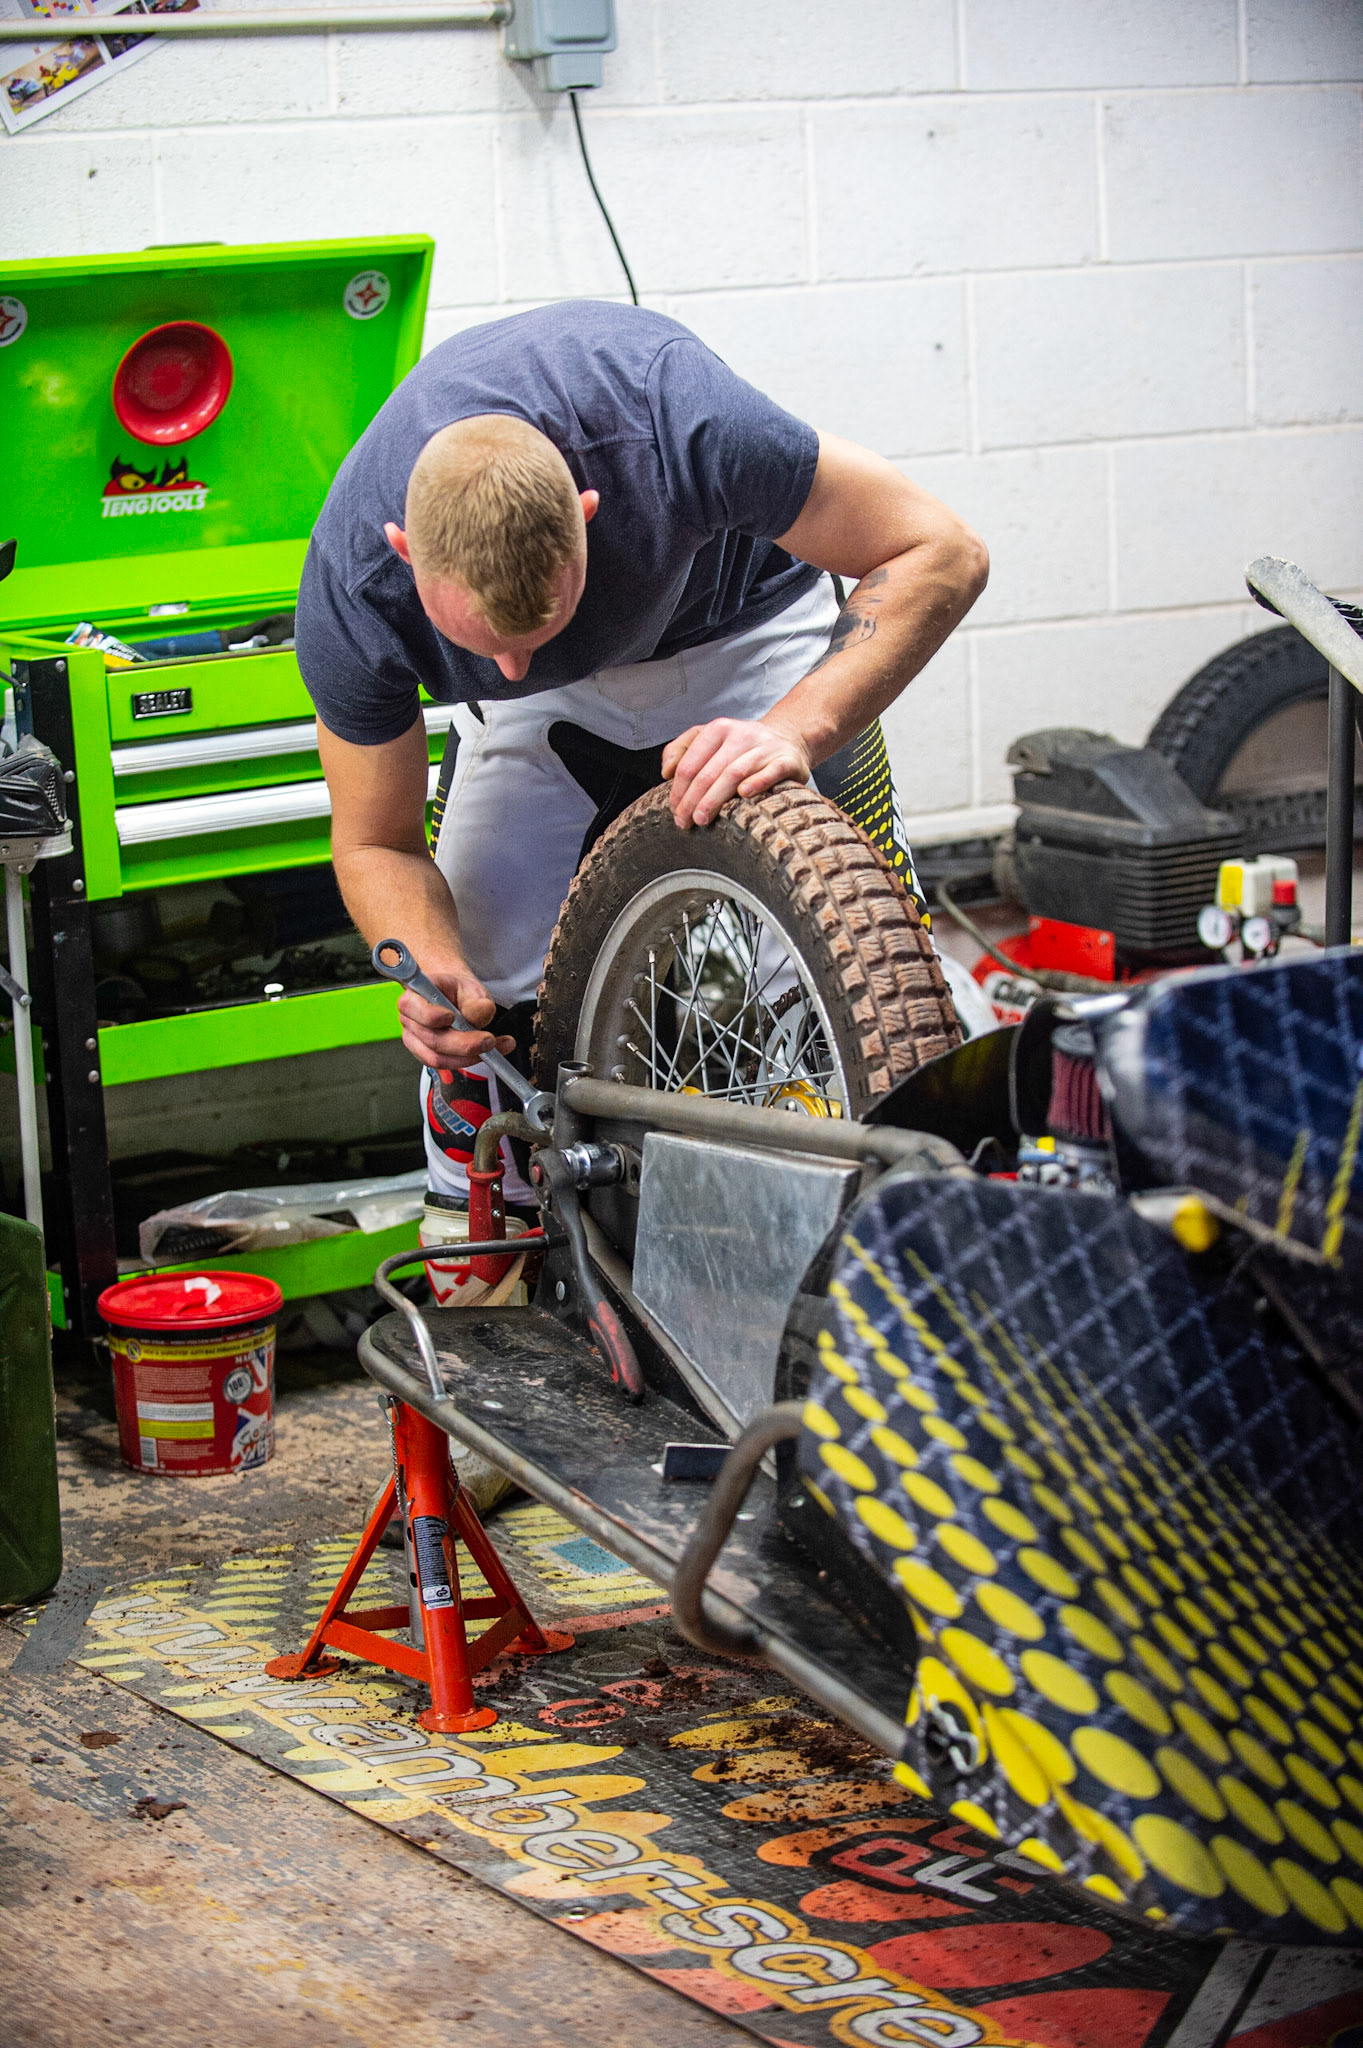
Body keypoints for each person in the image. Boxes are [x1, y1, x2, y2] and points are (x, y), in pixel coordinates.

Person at [297, 299, 988, 1210]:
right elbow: (376, 841)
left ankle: (888, 1244)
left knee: (844, 971)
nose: (508, 662)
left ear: (590, 513)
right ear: (401, 551)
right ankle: (485, 1259)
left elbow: (940, 548)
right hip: (533, 719)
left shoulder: (672, 420)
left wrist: (794, 729)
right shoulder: (354, 590)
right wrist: (429, 969)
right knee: (486, 1007)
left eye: (538, 625)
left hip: (745, 629)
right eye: (482, 642)